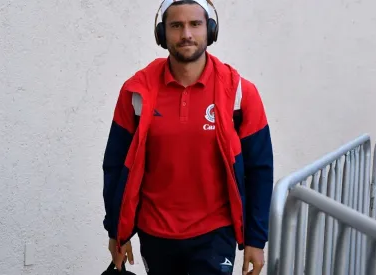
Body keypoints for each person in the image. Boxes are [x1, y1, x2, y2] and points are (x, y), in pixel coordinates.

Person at [101, 0, 274, 274]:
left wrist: (256, 239)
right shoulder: (136, 93)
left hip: (215, 232)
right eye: (176, 26)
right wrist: (116, 231)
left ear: (210, 30)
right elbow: (114, 164)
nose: (186, 35)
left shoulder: (239, 93)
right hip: (155, 232)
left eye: (195, 24)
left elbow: (260, 170)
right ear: (162, 34)